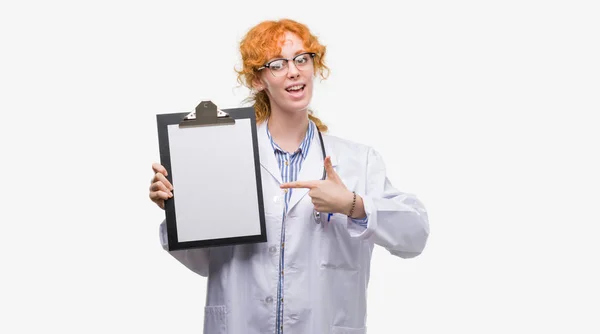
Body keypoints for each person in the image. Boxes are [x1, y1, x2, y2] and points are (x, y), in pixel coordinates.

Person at [149, 18, 430, 334]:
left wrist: (353, 205)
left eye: (301, 59)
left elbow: (415, 236)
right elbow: (203, 263)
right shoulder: (224, 156)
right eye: (277, 64)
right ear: (258, 80)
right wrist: (179, 210)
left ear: (314, 66)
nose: (294, 71)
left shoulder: (357, 161)